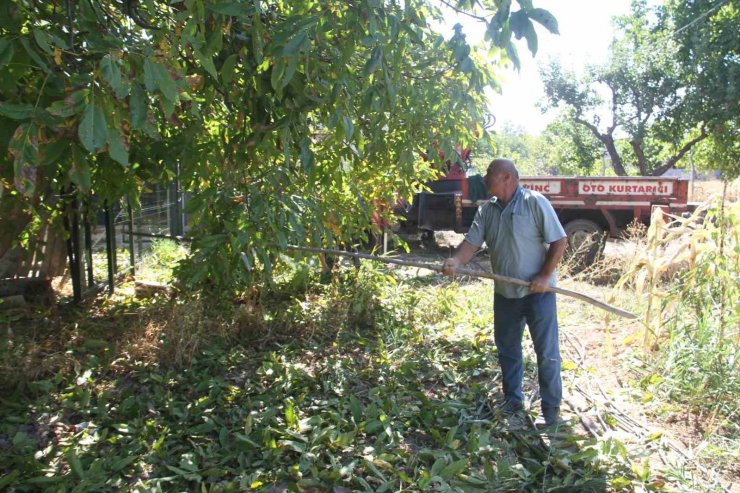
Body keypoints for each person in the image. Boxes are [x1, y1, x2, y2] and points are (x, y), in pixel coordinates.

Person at [442, 158, 568, 427]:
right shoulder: (487, 211)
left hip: (538, 294)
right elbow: (470, 244)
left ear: (507, 177)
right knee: (508, 350)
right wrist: (456, 261)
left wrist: (545, 275)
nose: (485, 179)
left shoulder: (535, 202)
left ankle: (551, 408)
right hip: (505, 294)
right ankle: (512, 401)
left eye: (490, 174)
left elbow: (560, 239)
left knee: (546, 352)